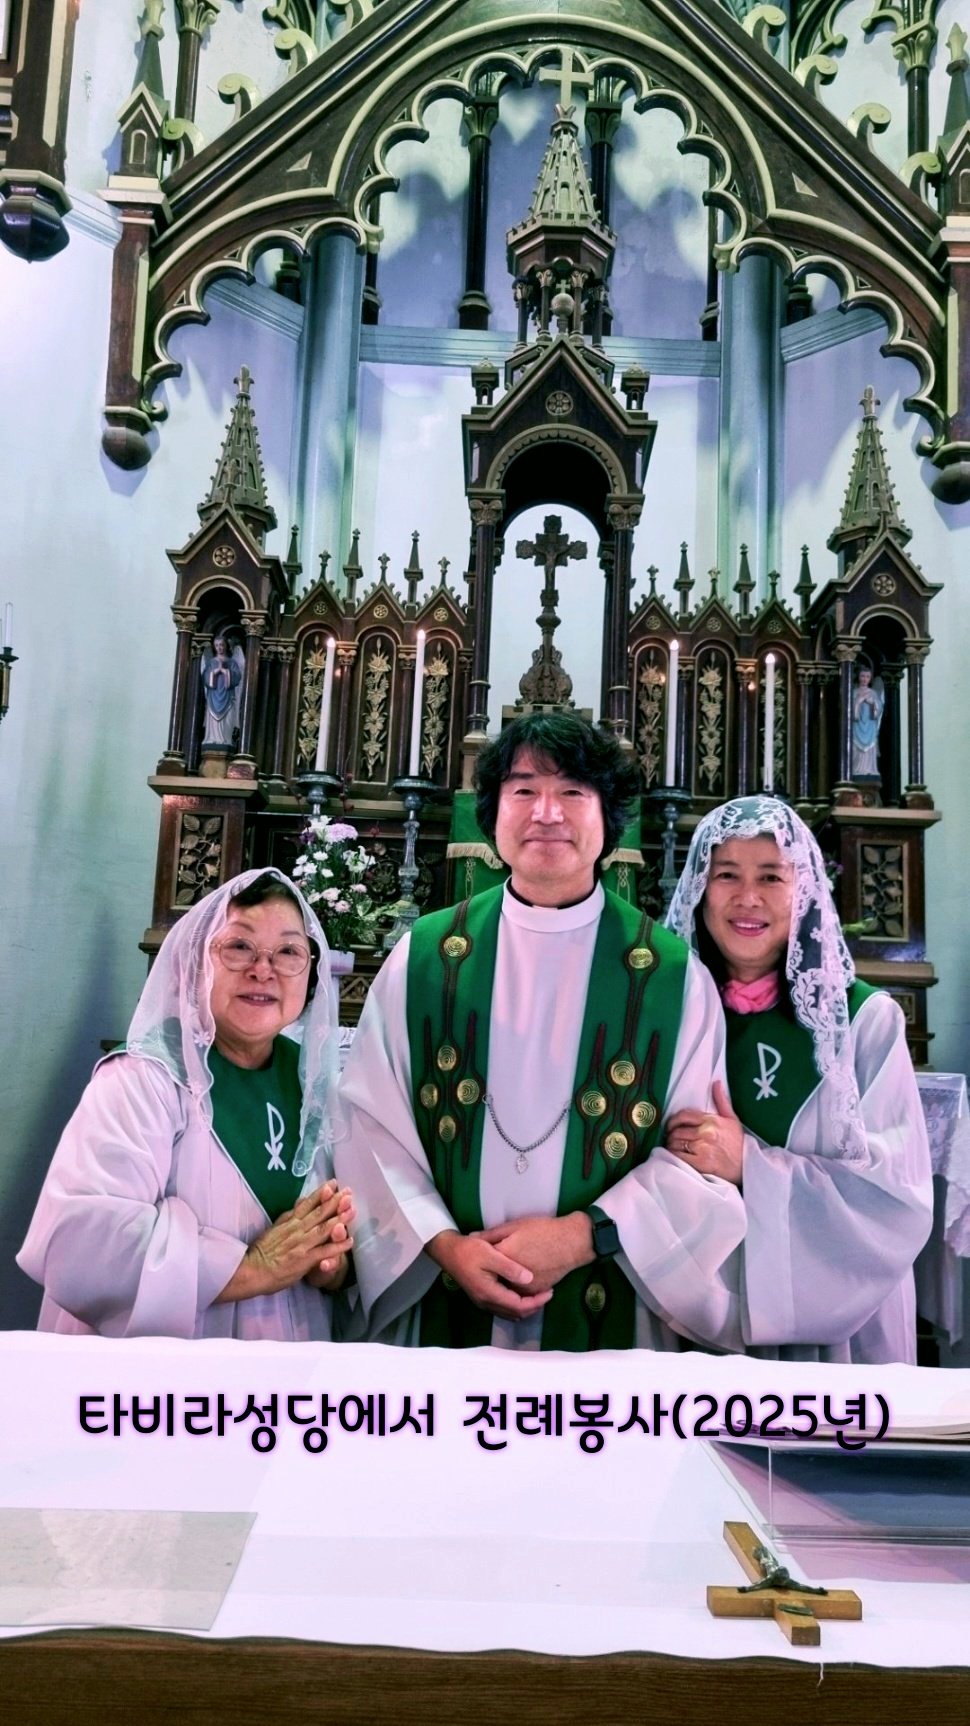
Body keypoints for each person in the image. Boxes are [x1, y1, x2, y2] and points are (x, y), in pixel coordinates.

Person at [336, 712, 747, 1351]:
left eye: (573, 792)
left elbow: (695, 1159)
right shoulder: (424, 957)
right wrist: (444, 1246)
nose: (547, 813)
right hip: (446, 1296)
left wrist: (587, 1234)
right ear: (492, 814)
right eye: (524, 790)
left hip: (610, 1301)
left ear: (608, 819)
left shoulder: (673, 977)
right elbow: (368, 1126)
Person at [17, 868, 354, 1340]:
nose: (263, 969)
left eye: (288, 952)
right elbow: (84, 1244)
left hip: (290, 1359)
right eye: (239, 946)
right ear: (194, 964)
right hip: (166, 1363)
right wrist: (257, 1267)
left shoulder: (317, 1085)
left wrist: (331, 1265)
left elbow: (352, 1241)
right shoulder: (143, 1079)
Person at [665, 796, 932, 1363]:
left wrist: (751, 1166)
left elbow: (896, 1200)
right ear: (699, 890)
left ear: (805, 891)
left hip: (839, 1326)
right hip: (696, 1308)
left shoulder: (864, 1022)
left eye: (771, 877)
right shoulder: (670, 1014)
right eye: (726, 875)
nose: (748, 898)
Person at [201, 633, 244, 749]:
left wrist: (226, 672)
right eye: (217, 645)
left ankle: (226, 740)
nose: (219, 648)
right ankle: (211, 739)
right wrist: (214, 672)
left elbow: (237, 678)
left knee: (227, 720)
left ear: (226, 646)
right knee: (213, 720)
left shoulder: (232, 663)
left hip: (227, 697)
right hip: (213, 698)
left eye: (221, 645)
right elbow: (205, 678)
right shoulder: (211, 663)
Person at [851, 665, 885, 778]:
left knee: (870, 749)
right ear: (858, 677)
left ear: (870, 678)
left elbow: (878, 710)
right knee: (856, 749)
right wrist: (858, 702)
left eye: (867, 677)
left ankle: (870, 769)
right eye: (862, 676)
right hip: (857, 726)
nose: (865, 679)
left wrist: (872, 703)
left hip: (870, 726)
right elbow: (850, 712)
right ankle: (856, 770)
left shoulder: (873, 693)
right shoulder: (854, 692)